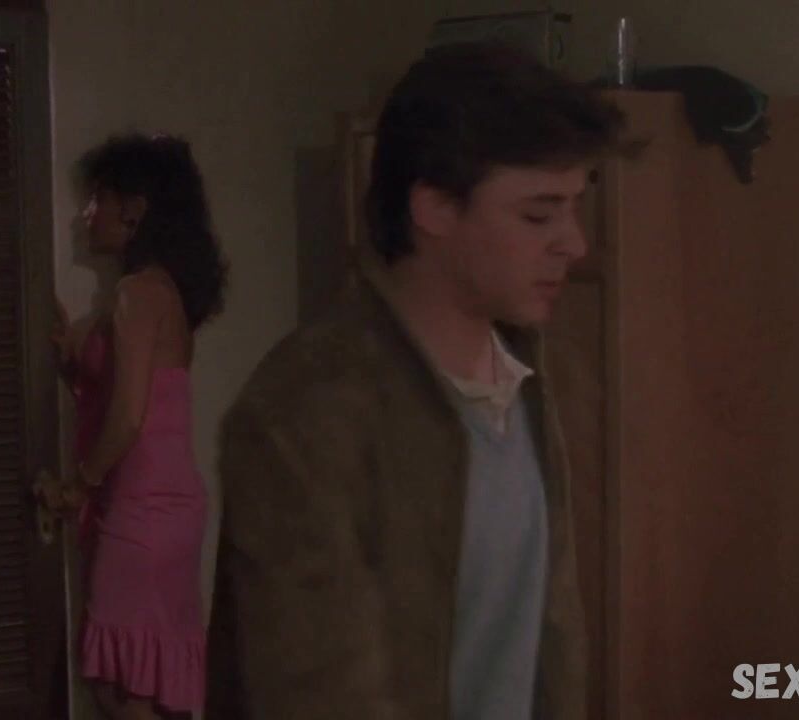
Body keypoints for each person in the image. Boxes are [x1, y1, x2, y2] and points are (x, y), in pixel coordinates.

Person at [205, 43, 623, 719]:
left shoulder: (532, 377)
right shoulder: (307, 404)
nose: (572, 243)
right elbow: (319, 691)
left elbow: (548, 646)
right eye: (537, 215)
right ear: (433, 208)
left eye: (574, 208)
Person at [39, 133, 228, 720]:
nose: (85, 215)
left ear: (134, 209)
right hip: (166, 508)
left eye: (97, 198)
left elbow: (127, 417)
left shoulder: (135, 293)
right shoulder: (161, 291)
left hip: (142, 510)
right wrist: (73, 362)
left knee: (117, 687)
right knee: (151, 680)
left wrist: (79, 485)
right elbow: (135, 397)